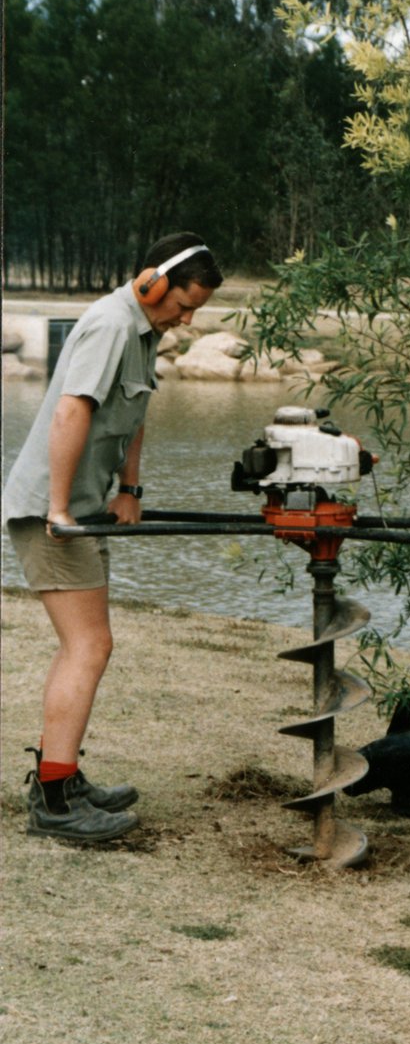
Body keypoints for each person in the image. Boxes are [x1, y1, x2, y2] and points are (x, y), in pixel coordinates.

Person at [4, 233, 223, 844]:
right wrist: (57, 508)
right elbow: (72, 411)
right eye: (184, 305)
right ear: (154, 283)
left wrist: (131, 488)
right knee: (89, 646)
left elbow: (134, 415)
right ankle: (54, 802)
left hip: (83, 508)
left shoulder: (142, 331)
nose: (186, 319)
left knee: (86, 645)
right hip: (53, 513)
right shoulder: (110, 325)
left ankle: (61, 777)